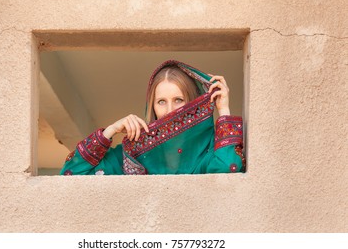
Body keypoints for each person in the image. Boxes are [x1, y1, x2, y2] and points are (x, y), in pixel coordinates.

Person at [60, 60, 245, 175]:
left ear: (191, 102)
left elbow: (229, 169)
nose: (170, 110)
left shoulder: (211, 147)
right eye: (161, 102)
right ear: (152, 106)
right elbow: (71, 174)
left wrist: (223, 109)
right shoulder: (133, 153)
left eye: (179, 100)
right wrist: (111, 130)